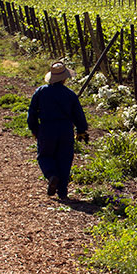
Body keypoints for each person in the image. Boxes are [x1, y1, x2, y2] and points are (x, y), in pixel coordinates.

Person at [27, 61, 89, 200]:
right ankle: (62, 192)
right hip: (65, 130)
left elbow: (32, 112)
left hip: (47, 129)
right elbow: (78, 114)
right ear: (65, 78)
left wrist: (34, 129)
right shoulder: (70, 94)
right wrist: (81, 130)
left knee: (44, 155)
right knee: (65, 159)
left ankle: (51, 175)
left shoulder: (41, 92)